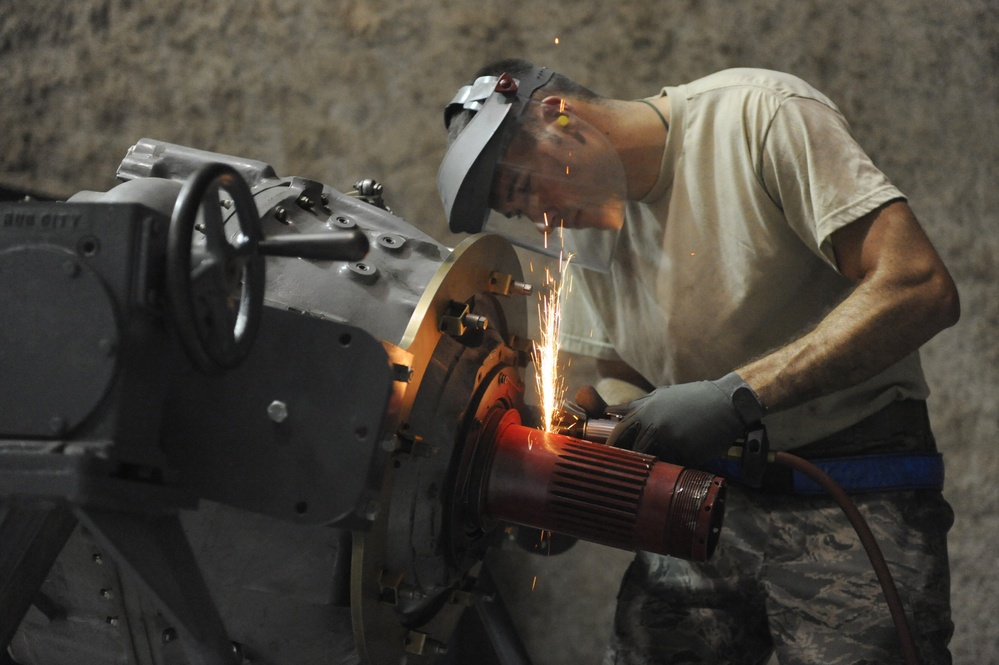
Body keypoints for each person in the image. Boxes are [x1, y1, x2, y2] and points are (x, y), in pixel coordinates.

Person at [437, 59, 959, 664]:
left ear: (562, 118)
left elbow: (919, 286)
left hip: (857, 484)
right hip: (705, 498)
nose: (541, 221)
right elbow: (607, 377)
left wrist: (736, 396)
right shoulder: (580, 225)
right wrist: (562, 465)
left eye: (526, 190)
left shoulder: (757, 117)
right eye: (522, 213)